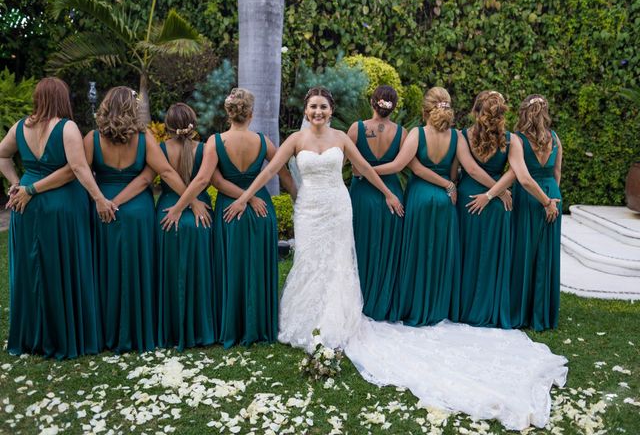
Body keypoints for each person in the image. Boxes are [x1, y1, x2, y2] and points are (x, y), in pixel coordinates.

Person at [223, 86, 567, 431]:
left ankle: (335, 318)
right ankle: (306, 316)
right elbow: (270, 172)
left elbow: (367, 169)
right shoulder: (295, 140)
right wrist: (246, 197)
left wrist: (388, 193)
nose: (318, 112)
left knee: (340, 263)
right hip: (310, 210)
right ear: (306, 109)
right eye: (313, 106)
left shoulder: (345, 136)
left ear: (331, 109)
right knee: (310, 263)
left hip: (338, 208)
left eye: (323, 106)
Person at [161, 87, 296, 348]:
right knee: (258, 268)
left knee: (231, 268)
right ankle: (260, 327)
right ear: (251, 113)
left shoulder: (215, 142)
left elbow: (209, 180)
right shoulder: (263, 141)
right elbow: (284, 174)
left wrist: (179, 207)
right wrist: (295, 199)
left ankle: (232, 327)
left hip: (229, 211)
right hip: (261, 212)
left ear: (228, 112)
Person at [0, 77, 116, 359]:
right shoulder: (67, 128)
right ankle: (63, 335)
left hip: (25, 207)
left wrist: (16, 181)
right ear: (62, 98)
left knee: (32, 269)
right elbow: (77, 168)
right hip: (61, 205)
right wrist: (99, 198)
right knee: (62, 266)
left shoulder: (19, 127)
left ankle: (33, 336)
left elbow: (2, 157)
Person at [84, 86, 195, 353]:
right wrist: (191, 200)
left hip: (103, 210)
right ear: (132, 109)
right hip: (137, 211)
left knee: (106, 271)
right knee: (137, 269)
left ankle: (106, 333)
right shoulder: (144, 138)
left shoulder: (91, 138)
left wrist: (103, 200)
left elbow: (80, 173)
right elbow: (163, 173)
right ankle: (139, 330)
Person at [465, 95, 561, 330]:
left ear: (524, 113)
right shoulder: (556, 139)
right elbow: (557, 172)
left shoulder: (517, 140)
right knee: (545, 254)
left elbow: (522, 177)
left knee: (522, 253)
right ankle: (543, 314)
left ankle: (520, 311)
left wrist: (545, 201)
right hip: (552, 194)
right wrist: (553, 199)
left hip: (530, 197)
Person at [373, 87, 460, 326]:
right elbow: (454, 173)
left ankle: (413, 305)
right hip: (445, 198)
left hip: (420, 196)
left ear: (425, 110)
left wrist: (368, 171)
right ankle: (436, 307)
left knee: (417, 252)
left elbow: (400, 165)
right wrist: (449, 185)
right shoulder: (457, 137)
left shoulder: (417, 134)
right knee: (439, 255)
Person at [153, 103, 216, 350]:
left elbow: (151, 179)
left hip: (168, 214)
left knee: (169, 273)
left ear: (167, 125)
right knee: (201, 272)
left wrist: (180, 206)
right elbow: (211, 180)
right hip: (202, 215)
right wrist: (194, 202)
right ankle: (203, 329)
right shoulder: (205, 149)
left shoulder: (159, 150)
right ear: (193, 123)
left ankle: (170, 330)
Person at [455, 91, 514, 328]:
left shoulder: (461, 136)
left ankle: (464, 308)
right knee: (490, 255)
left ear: (475, 110)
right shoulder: (511, 138)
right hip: (500, 202)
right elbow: (514, 172)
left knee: (468, 254)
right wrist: (498, 191)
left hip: (469, 198)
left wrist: (491, 192)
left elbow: (471, 169)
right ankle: (489, 308)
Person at [347, 85, 406, 320]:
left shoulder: (356, 129)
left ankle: (359, 301)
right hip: (392, 194)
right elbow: (402, 164)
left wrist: (363, 170)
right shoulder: (402, 133)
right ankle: (383, 303)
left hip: (362, 193)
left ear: (373, 103)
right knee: (387, 249)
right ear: (394, 107)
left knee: (360, 246)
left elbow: (345, 162)